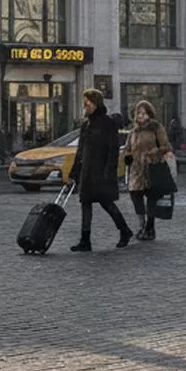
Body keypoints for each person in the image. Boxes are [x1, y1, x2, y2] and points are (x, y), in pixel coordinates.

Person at [69, 88, 133, 252]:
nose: (86, 106)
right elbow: (81, 150)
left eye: (88, 103)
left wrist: (109, 171)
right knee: (85, 204)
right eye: (84, 103)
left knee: (107, 203)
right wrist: (75, 171)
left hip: (101, 170)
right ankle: (85, 240)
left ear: (96, 103)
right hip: (87, 171)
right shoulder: (86, 124)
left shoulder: (107, 123)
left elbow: (113, 149)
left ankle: (124, 230)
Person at [126, 99, 172, 241]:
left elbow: (166, 146)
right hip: (136, 169)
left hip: (152, 167)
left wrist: (153, 153)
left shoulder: (156, 128)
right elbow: (128, 148)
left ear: (149, 114)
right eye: (138, 113)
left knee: (151, 197)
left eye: (144, 113)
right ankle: (142, 224)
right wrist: (127, 156)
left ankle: (150, 228)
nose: (140, 116)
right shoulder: (133, 131)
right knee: (135, 194)